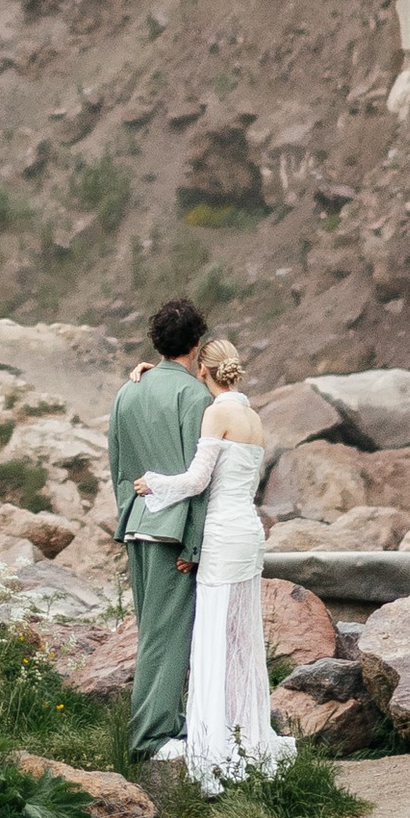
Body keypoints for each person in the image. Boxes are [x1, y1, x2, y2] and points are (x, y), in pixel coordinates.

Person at [132, 334, 297, 791]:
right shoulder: (252, 416)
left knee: (213, 637)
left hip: (223, 535)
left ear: (202, 372)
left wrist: (154, 485)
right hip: (249, 532)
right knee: (243, 636)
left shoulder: (215, 412)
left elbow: (197, 479)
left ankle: (214, 746)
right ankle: (248, 732)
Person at [108, 295, 212, 767]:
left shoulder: (127, 392)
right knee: (167, 635)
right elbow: (199, 478)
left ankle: (159, 725)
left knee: (152, 630)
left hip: (136, 524)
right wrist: (194, 541)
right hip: (175, 533)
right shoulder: (195, 396)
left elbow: (119, 466)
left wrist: (128, 517)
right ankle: (152, 737)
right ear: (197, 342)